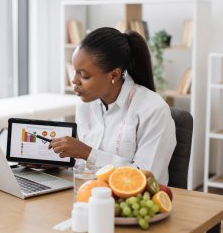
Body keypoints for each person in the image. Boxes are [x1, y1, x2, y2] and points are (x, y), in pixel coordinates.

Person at [49, 27, 176, 184]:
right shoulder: (85, 105)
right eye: (74, 71)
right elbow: (83, 167)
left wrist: (87, 153)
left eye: (84, 75)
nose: (74, 80)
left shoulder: (153, 110)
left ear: (114, 75)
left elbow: (145, 178)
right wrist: (52, 164)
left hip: (132, 202)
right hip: (90, 194)